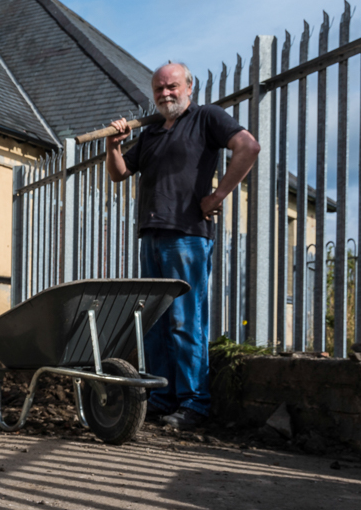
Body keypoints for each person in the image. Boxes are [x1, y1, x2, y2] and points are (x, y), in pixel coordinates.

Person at [106, 62, 261, 431]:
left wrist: (218, 195)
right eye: (159, 89)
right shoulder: (152, 131)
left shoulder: (206, 118)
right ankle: (162, 397)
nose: (165, 94)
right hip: (152, 235)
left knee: (185, 320)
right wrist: (113, 145)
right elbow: (118, 173)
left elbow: (248, 146)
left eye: (172, 87)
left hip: (187, 237)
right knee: (157, 322)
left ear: (189, 88)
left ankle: (194, 403)